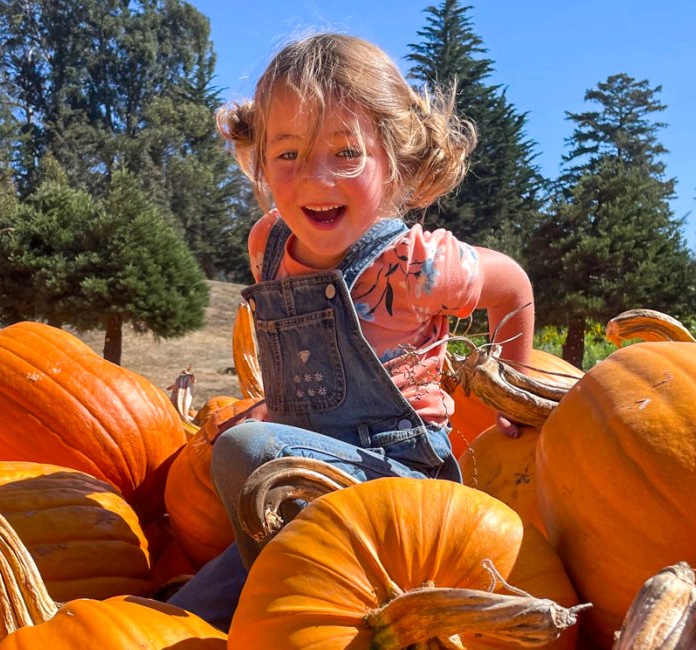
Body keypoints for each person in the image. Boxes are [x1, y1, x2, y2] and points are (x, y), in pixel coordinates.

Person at [168, 32, 534, 629]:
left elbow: (512, 286)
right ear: (258, 160)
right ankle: (274, 584)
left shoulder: (418, 265)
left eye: (345, 153)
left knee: (245, 454)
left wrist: (513, 397)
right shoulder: (268, 244)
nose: (315, 179)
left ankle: (296, 604)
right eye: (287, 154)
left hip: (401, 487)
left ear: (395, 159)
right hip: (301, 489)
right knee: (169, 620)